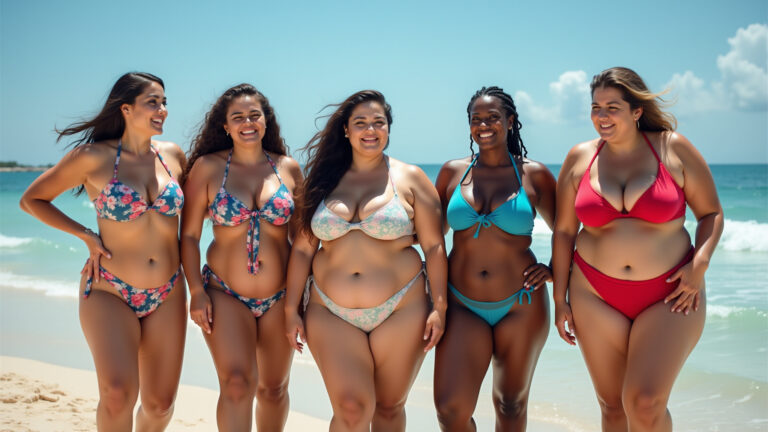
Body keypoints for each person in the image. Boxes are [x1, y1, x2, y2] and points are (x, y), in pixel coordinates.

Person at [552, 67, 724, 431]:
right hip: (594, 293)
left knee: (645, 403)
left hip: (671, 292)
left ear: (636, 111)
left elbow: (710, 213)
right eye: (596, 107)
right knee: (613, 407)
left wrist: (700, 265)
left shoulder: (671, 147)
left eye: (612, 107)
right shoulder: (580, 158)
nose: (602, 116)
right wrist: (560, 300)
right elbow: (564, 232)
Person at [19, 72, 187, 431]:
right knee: (116, 394)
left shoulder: (172, 156)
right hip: (109, 288)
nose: (163, 110)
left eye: (164, 102)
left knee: (159, 406)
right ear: (126, 109)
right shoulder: (92, 157)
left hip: (169, 291)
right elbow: (32, 199)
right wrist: (85, 235)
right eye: (153, 102)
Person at [284, 90, 447, 431]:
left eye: (379, 123)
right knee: (353, 409)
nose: (370, 130)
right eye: (361, 123)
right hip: (329, 310)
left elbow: (434, 247)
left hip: (402, 308)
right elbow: (302, 249)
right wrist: (290, 309)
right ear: (346, 130)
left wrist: (440, 307)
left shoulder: (411, 178)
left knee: (388, 408)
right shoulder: (322, 180)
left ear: (389, 129)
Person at [433, 86, 556, 431]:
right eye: (476, 119)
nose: (484, 125)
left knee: (510, 404)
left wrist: (554, 269)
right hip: (461, 302)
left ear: (511, 122)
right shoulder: (452, 173)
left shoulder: (535, 175)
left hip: (521, 304)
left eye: (493, 118)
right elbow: (429, 238)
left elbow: (569, 230)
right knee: (449, 410)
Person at [180, 84, 302, 431]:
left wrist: (303, 297)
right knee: (236, 383)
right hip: (224, 292)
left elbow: (303, 241)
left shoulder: (288, 169)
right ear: (225, 126)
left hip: (280, 296)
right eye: (238, 117)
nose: (247, 122)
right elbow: (188, 236)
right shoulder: (207, 168)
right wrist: (197, 292)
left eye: (254, 115)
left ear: (266, 120)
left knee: (274, 389)